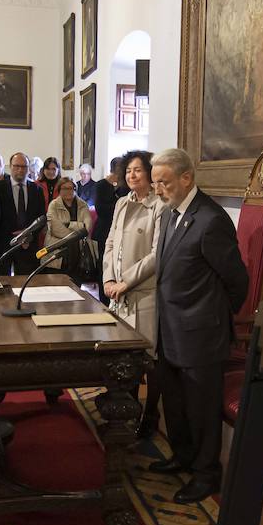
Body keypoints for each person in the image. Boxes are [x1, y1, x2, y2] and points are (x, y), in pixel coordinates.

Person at [149, 148, 248, 504]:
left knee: (202, 409)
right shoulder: (169, 214)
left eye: (164, 182)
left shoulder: (210, 219)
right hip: (169, 327)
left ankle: (207, 474)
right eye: (156, 182)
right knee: (174, 402)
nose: (157, 189)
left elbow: (237, 281)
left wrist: (212, 319)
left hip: (201, 333)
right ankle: (183, 456)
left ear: (187, 178)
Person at [101, 151, 164, 438]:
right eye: (128, 171)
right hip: (118, 293)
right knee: (120, 357)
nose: (131, 175)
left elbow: (156, 254)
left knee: (147, 359)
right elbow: (111, 243)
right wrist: (108, 279)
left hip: (144, 294)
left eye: (137, 170)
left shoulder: (159, 207)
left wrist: (125, 281)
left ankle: (150, 413)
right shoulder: (121, 204)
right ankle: (122, 412)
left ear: (150, 174)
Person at [3, 152, 47, 276]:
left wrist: (28, 234)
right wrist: (14, 235)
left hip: (29, 243)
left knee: (25, 283)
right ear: (10, 166)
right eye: (16, 166)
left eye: (24, 167)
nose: (20, 170)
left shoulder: (36, 189)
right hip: (5, 242)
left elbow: (41, 217)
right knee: (3, 282)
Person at [91, 156, 124, 303]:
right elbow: (101, 209)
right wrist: (118, 205)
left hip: (120, 231)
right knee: (104, 267)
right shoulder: (101, 185)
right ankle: (103, 300)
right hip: (104, 231)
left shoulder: (125, 186)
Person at [45, 178, 92, 276]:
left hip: (78, 253)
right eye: (64, 188)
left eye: (71, 188)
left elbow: (87, 228)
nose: (68, 191)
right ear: (59, 190)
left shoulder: (83, 205)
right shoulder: (53, 205)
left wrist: (68, 224)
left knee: (76, 286)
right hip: (58, 254)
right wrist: (78, 227)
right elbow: (55, 229)